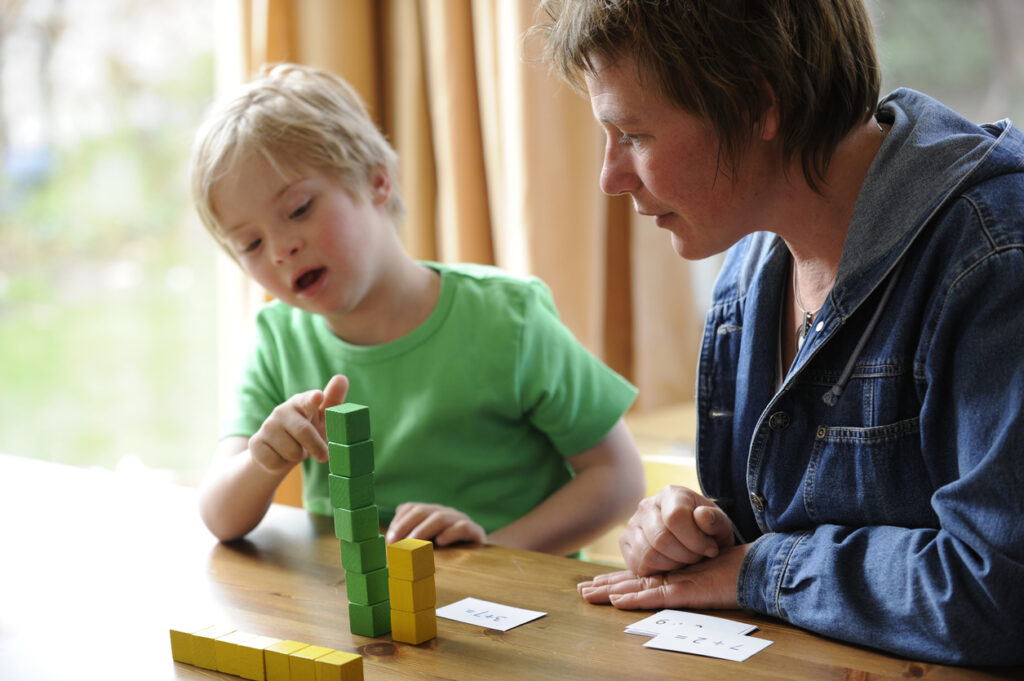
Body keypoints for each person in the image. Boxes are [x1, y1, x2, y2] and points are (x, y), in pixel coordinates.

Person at [535, 0, 1024, 666]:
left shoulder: (994, 260)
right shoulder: (749, 267)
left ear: (756, 104)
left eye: (634, 135)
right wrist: (692, 535)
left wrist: (755, 570)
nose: (609, 177)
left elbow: (1000, 592)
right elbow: (772, 542)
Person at [189, 63, 645, 557]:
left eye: (299, 209)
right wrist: (264, 460)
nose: (280, 250)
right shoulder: (277, 339)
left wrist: (490, 550)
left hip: (509, 613)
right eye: (251, 243)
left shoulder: (506, 318)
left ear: (376, 181)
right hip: (362, 619)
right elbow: (220, 516)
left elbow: (618, 478)